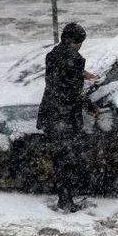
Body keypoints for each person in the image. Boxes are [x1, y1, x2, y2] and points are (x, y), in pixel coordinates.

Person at [37, 23, 97, 212]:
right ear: (74, 41)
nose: (81, 46)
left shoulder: (53, 54)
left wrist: (78, 73)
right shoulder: (74, 59)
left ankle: (65, 197)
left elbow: (58, 77)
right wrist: (88, 105)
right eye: (80, 42)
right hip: (64, 116)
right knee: (67, 159)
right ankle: (65, 201)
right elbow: (72, 91)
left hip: (51, 113)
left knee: (60, 158)